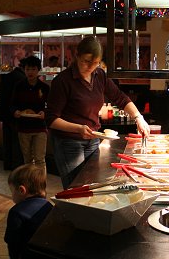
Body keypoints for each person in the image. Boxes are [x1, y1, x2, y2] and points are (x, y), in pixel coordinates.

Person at [45, 36, 150, 189]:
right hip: (69, 142)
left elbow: (120, 98)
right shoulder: (63, 81)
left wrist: (138, 117)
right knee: (76, 188)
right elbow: (51, 119)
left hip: (93, 139)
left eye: (95, 63)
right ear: (77, 56)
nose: (90, 66)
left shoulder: (99, 75)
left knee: (92, 184)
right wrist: (78, 128)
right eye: (86, 61)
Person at [4, 164, 53, 259]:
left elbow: (12, 240)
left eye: (12, 192)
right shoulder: (48, 206)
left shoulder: (16, 212)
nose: (12, 196)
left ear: (21, 190)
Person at [11, 56, 49, 169]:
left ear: (38, 70)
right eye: (27, 69)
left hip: (40, 127)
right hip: (23, 127)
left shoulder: (44, 87)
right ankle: (29, 184)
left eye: (33, 69)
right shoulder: (19, 86)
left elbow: (51, 106)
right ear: (24, 70)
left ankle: (41, 185)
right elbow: (12, 104)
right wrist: (15, 111)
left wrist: (44, 112)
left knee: (40, 159)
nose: (30, 72)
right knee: (27, 159)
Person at [0, 58, 27, 170]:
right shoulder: (22, 78)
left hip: (5, 114)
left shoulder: (9, 75)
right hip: (14, 114)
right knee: (16, 142)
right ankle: (16, 166)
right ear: (25, 68)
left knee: (7, 140)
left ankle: (7, 164)